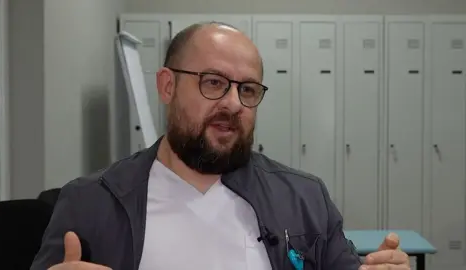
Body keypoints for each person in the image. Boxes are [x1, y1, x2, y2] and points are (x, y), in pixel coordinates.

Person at [31, 22, 410, 270]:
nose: (232, 103)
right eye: (213, 82)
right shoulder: (89, 203)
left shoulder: (305, 198)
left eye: (247, 89)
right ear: (167, 86)